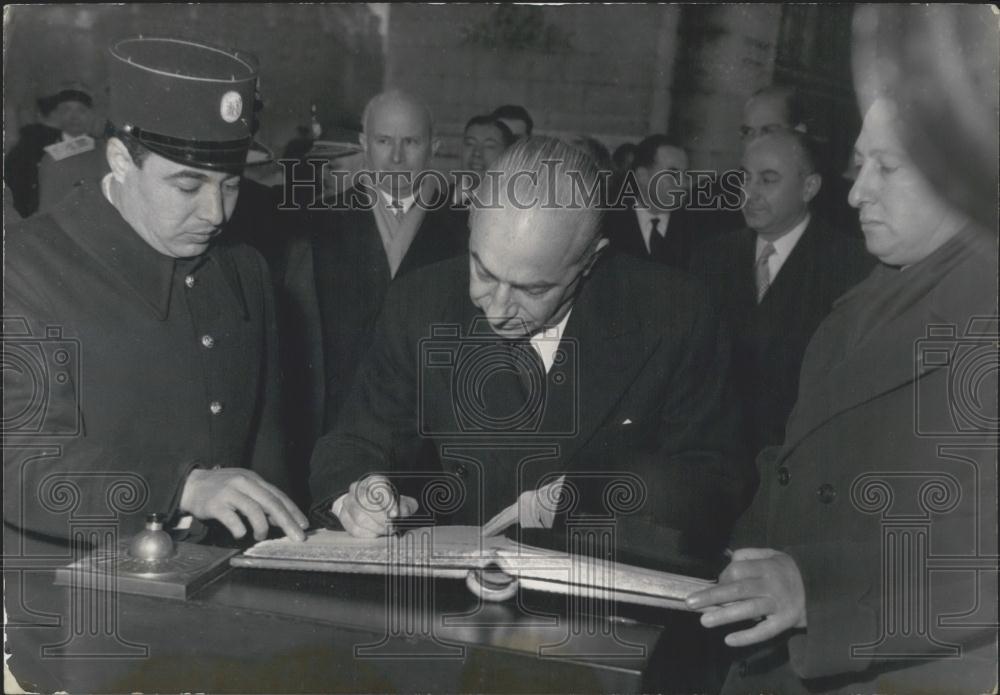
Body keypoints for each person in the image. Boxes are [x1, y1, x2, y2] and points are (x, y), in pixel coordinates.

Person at [309, 136, 755, 565]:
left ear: (590, 260)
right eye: (483, 271)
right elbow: (355, 439)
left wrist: (584, 493)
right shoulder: (420, 301)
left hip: (599, 592)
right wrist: (360, 492)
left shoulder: (675, 312)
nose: (498, 309)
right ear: (471, 222)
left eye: (533, 289)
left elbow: (716, 479)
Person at [688, 96, 997, 694]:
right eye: (861, 166)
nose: (858, 194)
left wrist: (815, 588)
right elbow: (800, 464)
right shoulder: (874, 292)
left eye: (889, 167)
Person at [3, 37, 308, 548]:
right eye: (188, 187)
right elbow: (17, 465)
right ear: (121, 159)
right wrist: (178, 487)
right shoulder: (25, 268)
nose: (215, 213)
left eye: (230, 185)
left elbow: (267, 447)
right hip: (73, 603)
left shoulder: (245, 267)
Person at [279, 90, 468, 494]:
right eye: (384, 141)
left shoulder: (467, 232)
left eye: (411, 142)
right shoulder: (314, 228)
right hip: (337, 454)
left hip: (435, 460)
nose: (397, 157)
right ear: (364, 145)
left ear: (434, 148)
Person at [689, 131, 872, 461]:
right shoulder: (708, 258)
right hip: (711, 459)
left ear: (809, 188)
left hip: (796, 456)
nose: (749, 192)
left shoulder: (852, 267)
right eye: (745, 177)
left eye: (768, 180)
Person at [603, 135, 706, 269]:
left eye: (686, 174)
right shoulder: (608, 224)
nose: (684, 184)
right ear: (643, 176)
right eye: (673, 174)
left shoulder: (699, 230)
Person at [4, 84, 95, 218]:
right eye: (67, 110)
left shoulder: (98, 151)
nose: (74, 116)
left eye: (81, 110)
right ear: (57, 114)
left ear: (91, 115)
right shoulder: (33, 144)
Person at [453, 114, 513, 206]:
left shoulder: (515, 205)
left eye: (489, 146)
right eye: (470, 143)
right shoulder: (437, 201)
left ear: (506, 155)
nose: (477, 153)